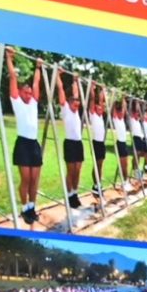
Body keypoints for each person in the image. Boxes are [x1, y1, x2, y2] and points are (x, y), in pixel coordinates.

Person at [6, 48, 44, 224]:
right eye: (26, 92)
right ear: (20, 92)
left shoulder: (33, 103)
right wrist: (9, 57)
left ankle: (31, 207)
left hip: (34, 145)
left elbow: (37, 82)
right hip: (22, 144)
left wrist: (38, 66)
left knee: (35, 179)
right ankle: (24, 209)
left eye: (30, 93)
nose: (29, 95)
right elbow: (13, 77)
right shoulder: (16, 101)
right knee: (26, 179)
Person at [55, 70, 86, 210]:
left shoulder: (76, 111)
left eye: (78, 103)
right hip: (69, 143)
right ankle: (69, 195)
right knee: (71, 171)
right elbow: (60, 89)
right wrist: (58, 75)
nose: (77, 104)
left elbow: (76, 92)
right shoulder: (65, 109)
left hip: (78, 143)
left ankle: (75, 193)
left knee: (78, 170)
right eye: (75, 102)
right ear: (69, 102)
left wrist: (75, 80)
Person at [87, 84, 110, 205]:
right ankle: (95, 185)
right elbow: (92, 99)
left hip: (101, 143)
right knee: (96, 165)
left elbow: (101, 100)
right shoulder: (92, 114)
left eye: (101, 107)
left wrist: (103, 90)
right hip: (95, 143)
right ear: (95, 107)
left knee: (100, 165)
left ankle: (98, 184)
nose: (100, 107)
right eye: (98, 106)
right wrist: (92, 89)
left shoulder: (101, 116)